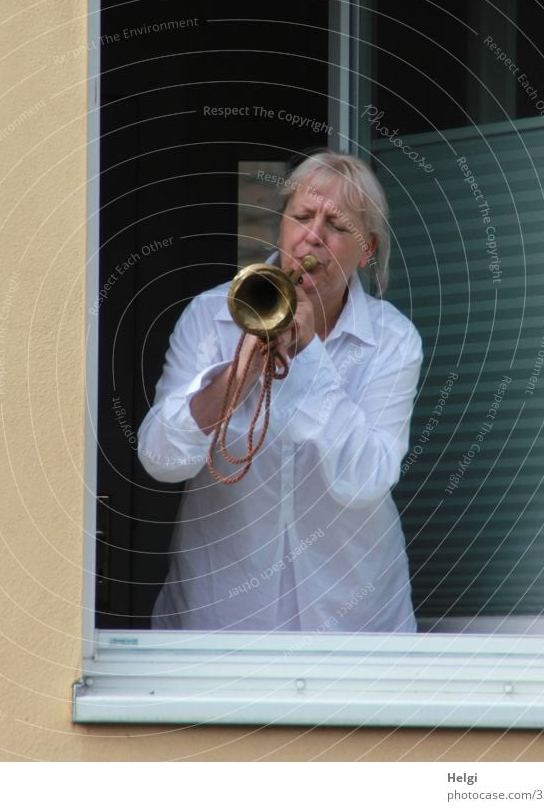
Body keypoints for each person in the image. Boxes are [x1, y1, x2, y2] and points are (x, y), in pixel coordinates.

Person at [137, 150, 423, 633]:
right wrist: (239, 374)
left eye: (337, 225)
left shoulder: (393, 341)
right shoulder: (211, 317)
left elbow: (368, 478)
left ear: (367, 249)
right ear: (281, 227)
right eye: (302, 217)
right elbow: (160, 459)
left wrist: (309, 354)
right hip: (222, 610)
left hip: (353, 616)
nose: (314, 236)